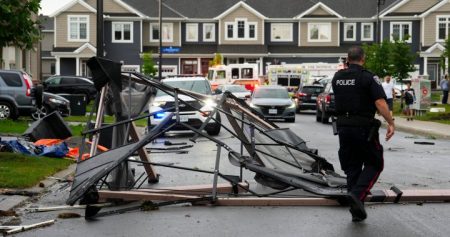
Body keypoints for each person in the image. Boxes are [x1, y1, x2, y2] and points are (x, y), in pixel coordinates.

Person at [332, 46, 395, 222]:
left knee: (352, 167)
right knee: (375, 163)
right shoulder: (367, 76)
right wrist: (390, 122)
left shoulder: (337, 77)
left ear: (347, 58)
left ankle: (356, 211)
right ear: (363, 58)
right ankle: (357, 195)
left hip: (343, 128)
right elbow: (381, 102)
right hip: (363, 128)